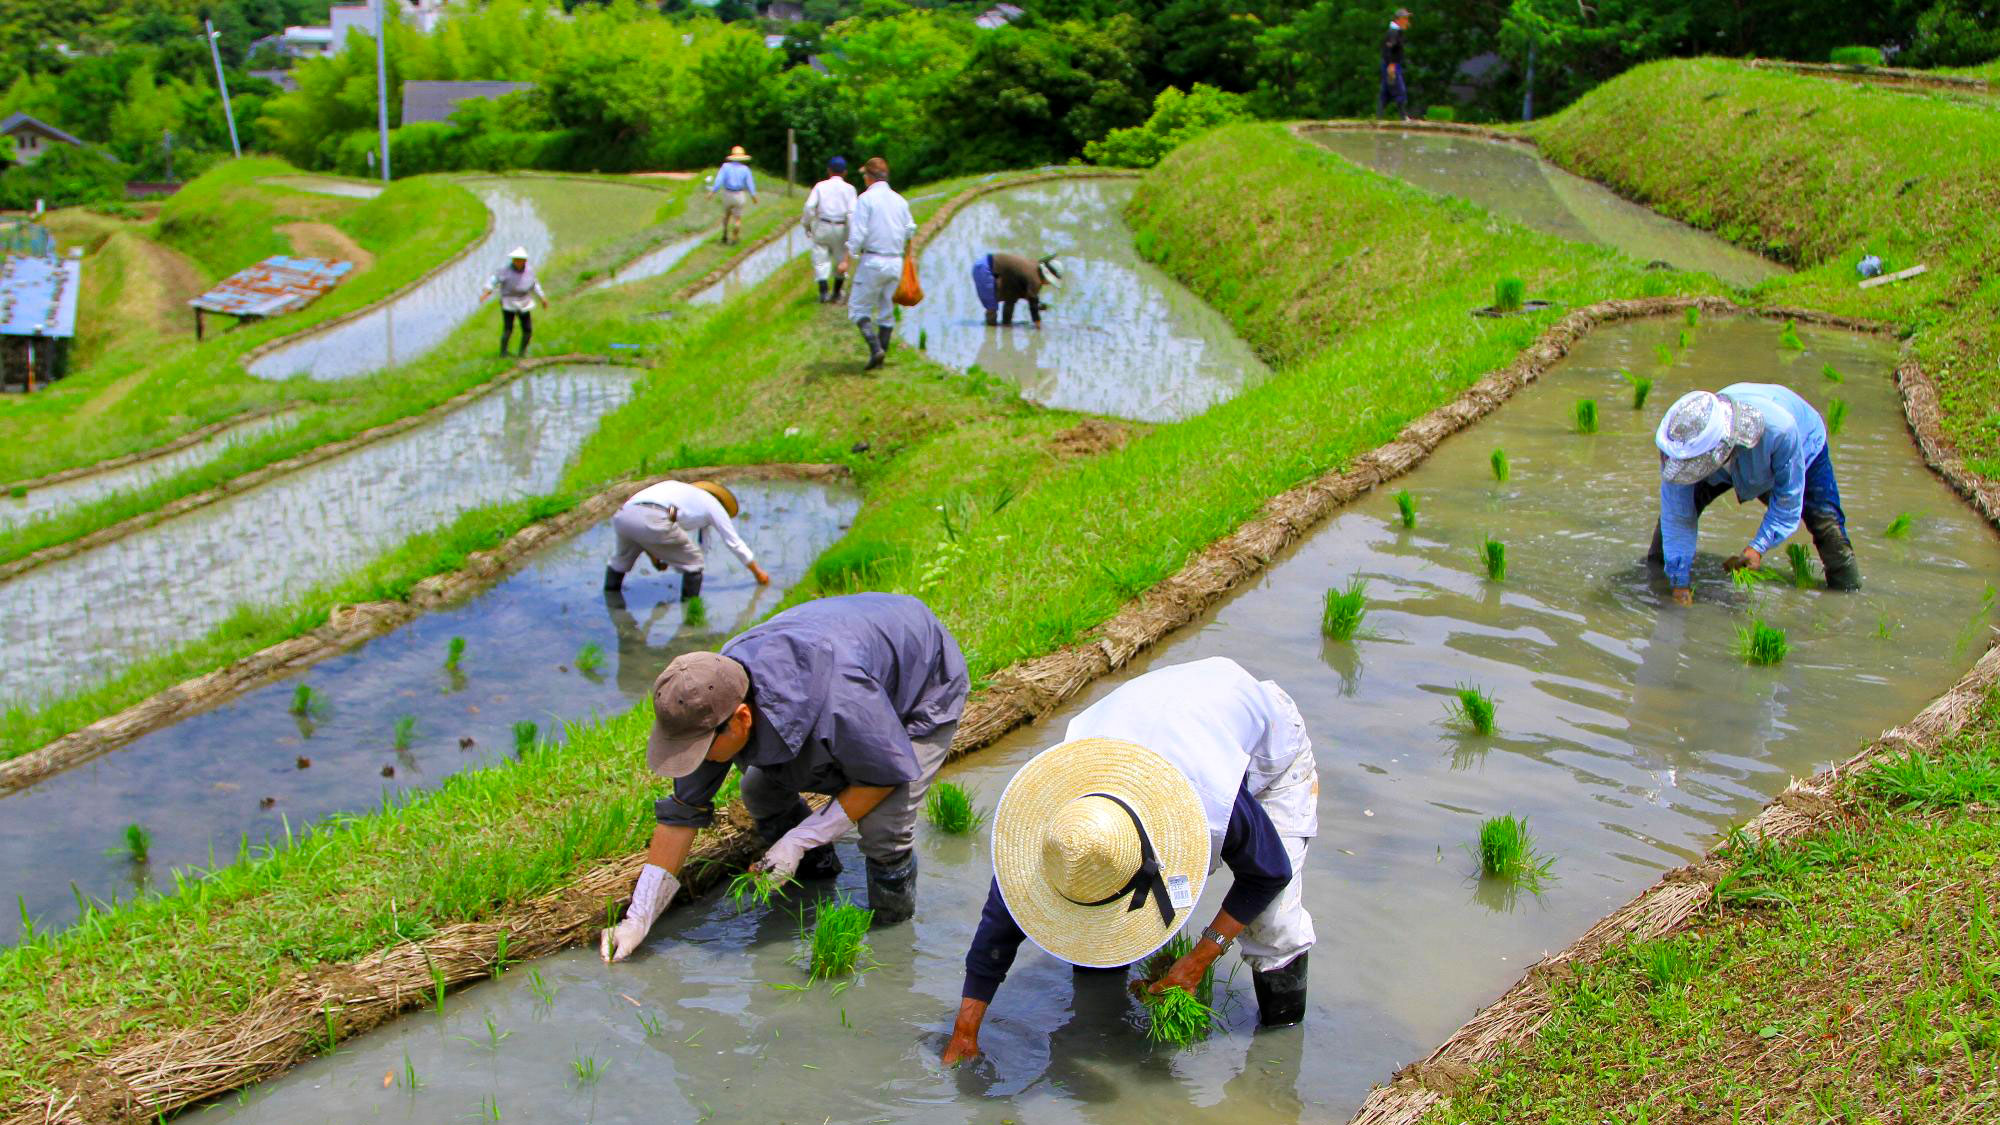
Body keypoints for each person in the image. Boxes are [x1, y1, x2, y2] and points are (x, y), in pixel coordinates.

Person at [941, 657, 1319, 1065]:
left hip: (1264, 741)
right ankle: (1102, 1026)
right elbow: (997, 929)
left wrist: (1199, 959)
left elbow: (1269, 873)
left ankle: (1278, 1057)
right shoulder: (1056, 833)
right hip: (1163, 720)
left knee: (1274, 925)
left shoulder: (1208, 799)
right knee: (1094, 919)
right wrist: (965, 1032)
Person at [600, 593, 969, 964]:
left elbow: (881, 776)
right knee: (758, 788)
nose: (699, 760)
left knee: (884, 825)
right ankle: (815, 876)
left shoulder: (840, 698)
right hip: (843, 656)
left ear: (742, 718)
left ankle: (893, 932)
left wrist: (798, 838)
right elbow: (681, 815)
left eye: (702, 748)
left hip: (921, 679)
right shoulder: (707, 702)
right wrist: (638, 917)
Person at [1649, 385, 1861, 604]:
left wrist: (1757, 548)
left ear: (1719, 451)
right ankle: (1654, 578)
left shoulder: (1780, 431)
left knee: (1826, 525)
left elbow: (1787, 502)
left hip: (1800, 446)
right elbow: (1677, 517)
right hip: (1729, 461)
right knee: (1665, 539)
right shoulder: (1681, 447)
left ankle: (1848, 599)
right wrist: (1679, 586)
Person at [603, 479, 771, 599]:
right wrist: (758, 573)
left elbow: (648, 528)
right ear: (721, 501)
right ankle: (690, 610)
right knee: (694, 562)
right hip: (654, 517)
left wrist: (655, 558)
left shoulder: (681, 493)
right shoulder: (712, 503)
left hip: (624, 515)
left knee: (621, 561)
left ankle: (610, 602)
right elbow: (733, 542)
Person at [845, 156, 916, 371]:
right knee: (886, 309)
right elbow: (910, 229)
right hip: (895, 261)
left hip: (873, 259)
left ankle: (876, 349)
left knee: (858, 308)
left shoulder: (865, 200)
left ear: (868, 177)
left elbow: (858, 233)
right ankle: (880, 357)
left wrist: (850, 255)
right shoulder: (900, 201)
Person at [803, 156, 858, 304]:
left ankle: (823, 291)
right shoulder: (850, 189)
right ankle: (836, 292)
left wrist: (807, 224)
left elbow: (809, 207)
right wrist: (853, 233)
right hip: (841, 226)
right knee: (841, 258)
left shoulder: (820, 186)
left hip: (822, 224)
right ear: (845, 172)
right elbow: (852, 213)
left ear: (829, 171)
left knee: (820, 258)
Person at [477, 246, 547, 357]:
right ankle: (503, 353)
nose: (518, 262)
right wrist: (486, 293)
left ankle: (522, 352)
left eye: (520, 260)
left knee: (527, 329)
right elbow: (493, 281)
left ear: (524, 260)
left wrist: (542, 298)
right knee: (508, 329)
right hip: (509, 302)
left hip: (524, 301)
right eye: (516, 260)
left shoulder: (529, 271)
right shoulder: (504, 271)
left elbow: (535, 285)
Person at [971, 252, 1063, 327]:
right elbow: (1031, 304)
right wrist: (1038, 324)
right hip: (985, 268)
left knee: (1008, 298)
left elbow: (1022, 296)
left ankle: (1000, 326)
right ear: (1047, 277)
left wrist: (1038, 305)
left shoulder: (1034, 267)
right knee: (992, 308)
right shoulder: (1035, 280)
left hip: (987, 264)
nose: (1048, 284)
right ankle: (991, 333)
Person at [708, 145, 759, 245]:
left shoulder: (725, 167)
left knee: (726, 215)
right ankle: (735, 235)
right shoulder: (745, 169)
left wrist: (712, 192)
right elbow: (750, 184)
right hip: (739, 194)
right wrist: (754, 197)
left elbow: (719, 181)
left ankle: (725, 234)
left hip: (728, 194)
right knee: (737, 217)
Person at [1378, 8, 1412, 122]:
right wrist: (1392, 65)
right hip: (1391, 65)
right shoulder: (1394, 32)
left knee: (1386, 91)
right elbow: (1390, 48)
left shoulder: (1395, 31)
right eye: (1406, 19)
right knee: (1400, 90)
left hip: (1389, 64)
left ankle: (1379, 117)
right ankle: (1403, 117)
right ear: (1400, 19)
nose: (1407, 21)